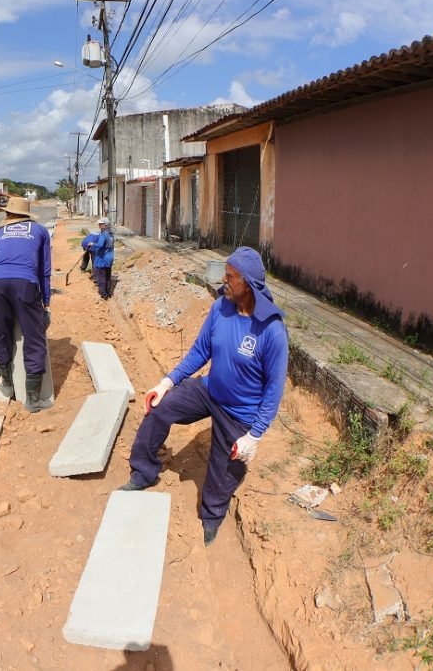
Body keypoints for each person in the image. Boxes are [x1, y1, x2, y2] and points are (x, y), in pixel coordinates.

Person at [120, 246, 288, 547]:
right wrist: (167, 383)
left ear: (247, 283)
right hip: (209, 391)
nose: (224, 281)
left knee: (224, 471)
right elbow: (200, 351)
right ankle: (143, 472)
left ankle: (212, 516)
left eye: (231, 276)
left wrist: (255, 436)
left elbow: (274, 390)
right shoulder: (220, 308)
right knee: (160, 408)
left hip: (240, 412)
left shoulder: (271, 331)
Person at [0, 195, 53, 413]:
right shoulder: (40, 231)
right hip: (26, 283)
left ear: (7, 215)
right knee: (34, 337)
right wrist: (45, 305)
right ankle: (32, 400)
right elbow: (44, 270)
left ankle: (7, 383)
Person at [89, 217, 114, 299]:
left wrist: (92, 244)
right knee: (107, 276)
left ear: (105, 225)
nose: (99, 225)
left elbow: (100, 245)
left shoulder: (103, 235)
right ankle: (108, 292)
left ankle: (103, 294)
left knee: (102, 276)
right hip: (109, 258)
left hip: (103, 259)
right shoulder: (111, 234)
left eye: (100, 224)